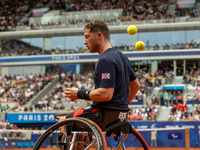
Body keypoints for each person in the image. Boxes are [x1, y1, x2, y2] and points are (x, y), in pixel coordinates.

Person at [59, 19, 140, 128]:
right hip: (117, 115)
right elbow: (136, 86)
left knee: (62, 121)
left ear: (99, 36)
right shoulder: (122, 57)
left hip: (100, 114)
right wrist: (121, 109)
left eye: (87, 37)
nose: (84, 42)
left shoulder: (105, 59)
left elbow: (106, 94)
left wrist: (79, 93)